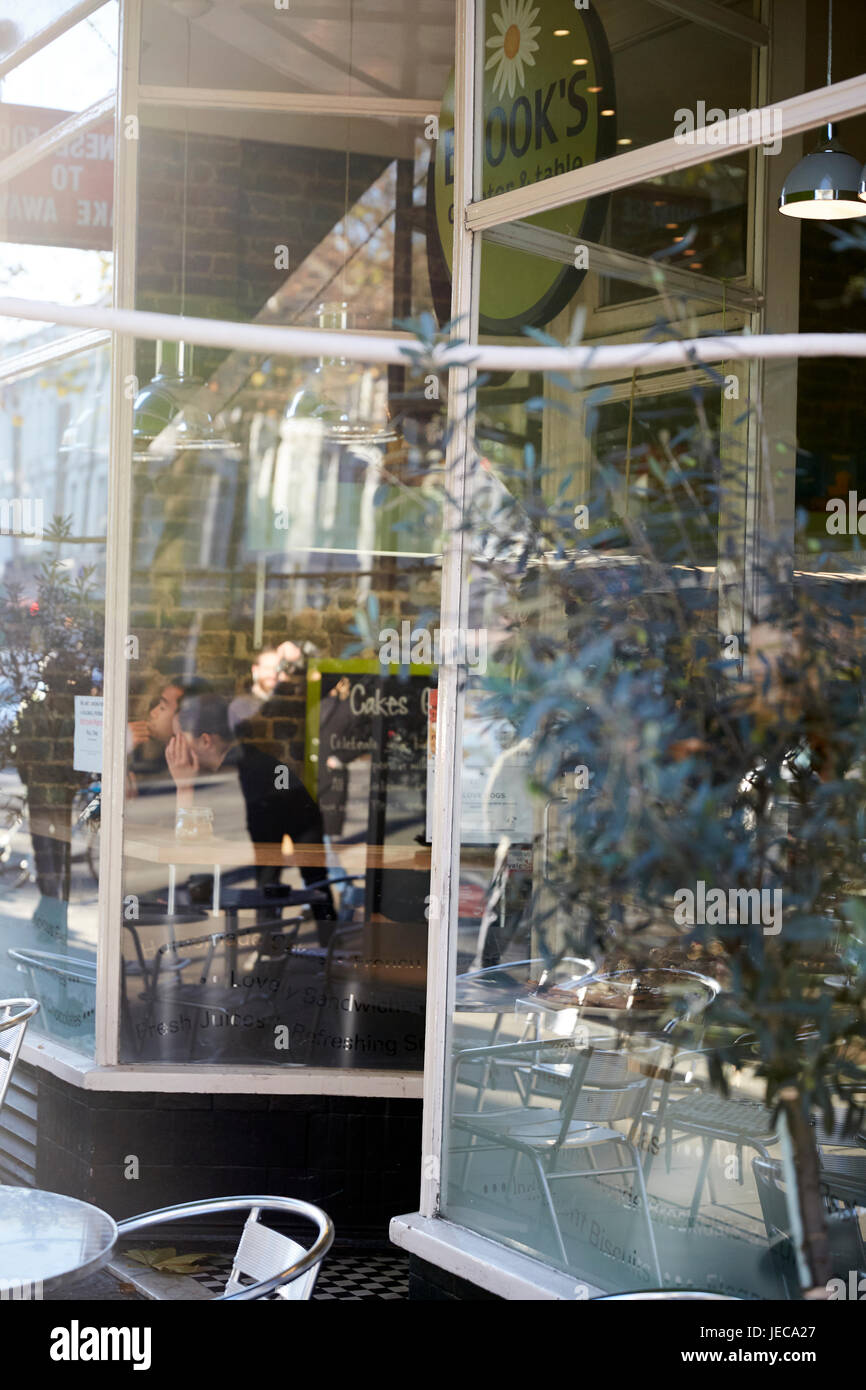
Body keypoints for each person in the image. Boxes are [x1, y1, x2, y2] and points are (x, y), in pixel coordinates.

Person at [166, 691, 336, 942]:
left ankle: (299, 948)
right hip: (288, 816)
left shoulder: (240, 771)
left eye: (180, 738)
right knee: (280, 882)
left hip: (299, 818)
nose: (174, 747)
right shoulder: (232, 766)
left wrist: (184, 787)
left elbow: (194, 843)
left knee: (283, 884)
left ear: (205, 741)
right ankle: (289, 945)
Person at [228, 641, 305, 735]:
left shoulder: (288, 704)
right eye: (267, 668)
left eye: (277, 669)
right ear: (255, 670)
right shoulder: (239, 706)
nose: (273, 674)